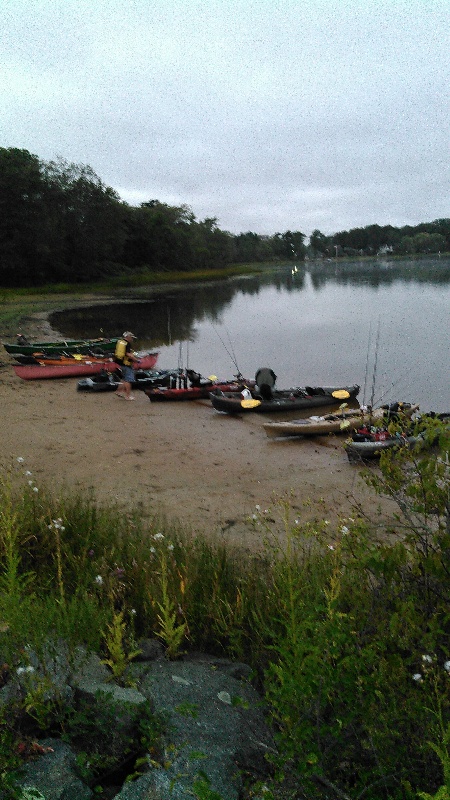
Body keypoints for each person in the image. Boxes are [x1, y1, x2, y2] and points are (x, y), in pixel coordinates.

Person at [114, 332, 140, 400]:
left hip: (120, 362)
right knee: (128, 380)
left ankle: (118, 391)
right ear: (128, 337)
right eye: (131, 338)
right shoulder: (127, 344)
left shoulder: (120, 342)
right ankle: (127, 396)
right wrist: (136, 360)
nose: (132, 339)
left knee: (124, 378)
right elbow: (128, 354)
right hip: (126, 364)